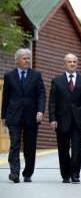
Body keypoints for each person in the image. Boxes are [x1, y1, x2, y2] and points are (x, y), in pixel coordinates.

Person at [1, 48, 45, 183]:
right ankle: (14, 173)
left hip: (31, 116)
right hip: (14, 116)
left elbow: (41, 94)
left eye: (28, 58)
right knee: (15, 144)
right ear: (17, 60)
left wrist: (40, 111)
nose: (27, 61)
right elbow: (6, 97)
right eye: (24, 58)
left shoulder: (36, 75)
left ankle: (27, 173)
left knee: (29, 146)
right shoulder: (9, 76)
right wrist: (3, 116)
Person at [49, 53, 81, 184]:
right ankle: (65, 174)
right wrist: (52, 119)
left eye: (74, 62)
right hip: (62, 120)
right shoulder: (57, 81)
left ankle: (75, 173)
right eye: (69, 62)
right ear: (65, 63)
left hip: (78, 121)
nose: (72, 64)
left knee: (77, 149)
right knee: (63, 149)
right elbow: (52, 102)